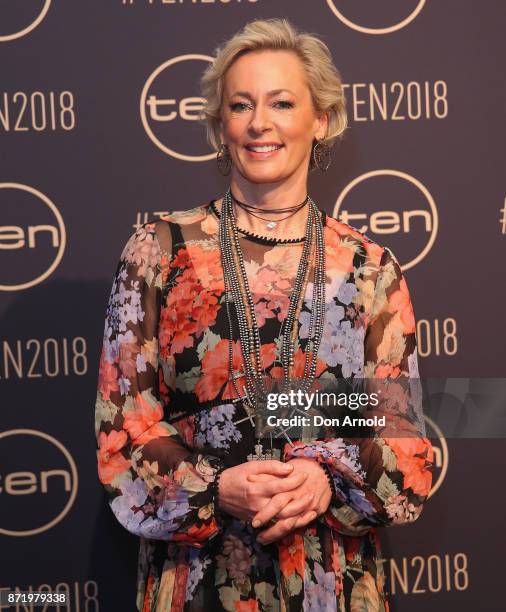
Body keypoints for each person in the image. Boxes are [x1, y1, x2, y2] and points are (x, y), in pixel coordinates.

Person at [95, 17, 433, 611]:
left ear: (321, 119)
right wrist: (214, 487)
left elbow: (403, 446)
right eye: (241, 104)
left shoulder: (369, 267)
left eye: (281, 102)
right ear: (218, 124)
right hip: (197, 577)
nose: (260, 123)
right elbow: (125, 430)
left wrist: (326, 479)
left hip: (331, 578)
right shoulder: (159, 251)